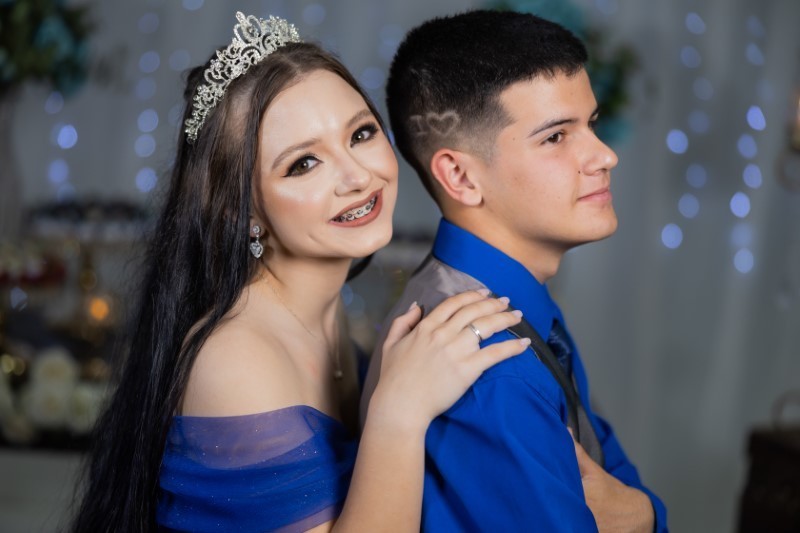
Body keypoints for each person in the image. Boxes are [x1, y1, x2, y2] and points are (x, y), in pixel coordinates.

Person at [68, 12, 531, 532]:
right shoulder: (235, 358)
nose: (358, 176)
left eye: (361, 133)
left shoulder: (335, 329)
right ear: (238, 211)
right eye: (303, 163)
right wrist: (399, 414)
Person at [361, 9, 668, 532]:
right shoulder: (491, 361)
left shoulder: (513, 304)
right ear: (460, 176)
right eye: (555, 137)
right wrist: (648, 516)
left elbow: (611, 472)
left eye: (591, 124)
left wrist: (640, 512)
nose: (604, 156)